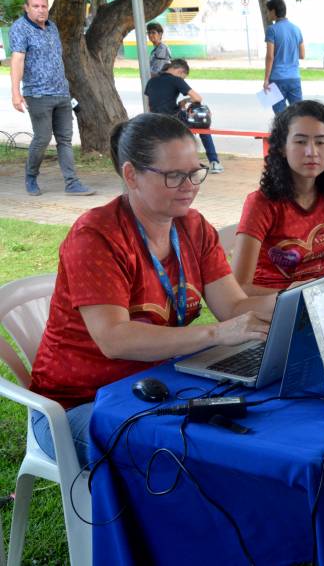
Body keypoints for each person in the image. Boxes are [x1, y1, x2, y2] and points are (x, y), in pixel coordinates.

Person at [28, 113, 277, 465]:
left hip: (158, 384)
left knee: (243, 438)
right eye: (174, 176)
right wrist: (217, 334)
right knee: (187, 459)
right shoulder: (96, 236)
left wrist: (298, 299)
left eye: (194, 172)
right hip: (74, 406)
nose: (189, 185)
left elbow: (233, 306)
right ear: (131, 175)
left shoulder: (194, 227)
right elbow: (115, 339)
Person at [231, 100, 324, 295]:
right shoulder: (261, 203)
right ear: (282, 148)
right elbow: (239, 286)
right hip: (269, 309)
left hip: (319, 305)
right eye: (300, 142)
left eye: (320, 142)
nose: (312, 152)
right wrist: (293, 294)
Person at [8, 0, 95, 197]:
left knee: (65, 139)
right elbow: (17, 60)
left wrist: (68, 90)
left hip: (62, 93)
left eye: (44, 6)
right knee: (43, 137)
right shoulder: (20, 28)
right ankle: (31, 176)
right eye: (36, 6)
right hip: (37, 95)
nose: (41, 10)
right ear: (26, 8)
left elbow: (56, 61)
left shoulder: (52, 27)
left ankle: (72, 183)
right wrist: (15, 94)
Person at [144, 58, 224, 174]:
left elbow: (151, 106)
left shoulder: (152, 81)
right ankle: (214, 162)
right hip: (173, 118)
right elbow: (197, 98)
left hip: (155, 119)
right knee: (202, 124)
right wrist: (187, 99)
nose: (182, 79)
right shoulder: (176, 80)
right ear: (180, 72)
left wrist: (180, 104)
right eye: (183, 77)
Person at [263, 0, 305, 114]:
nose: (267, 14)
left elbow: (270, 57)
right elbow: (302, 55)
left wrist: (266, 79)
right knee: (298, 115)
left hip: (276, 80)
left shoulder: (271, 30)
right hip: (294, 78)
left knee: (280, 117)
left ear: (273, 11)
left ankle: (283, 133)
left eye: (267, 11)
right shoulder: (296, 29)